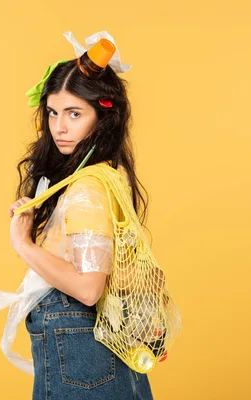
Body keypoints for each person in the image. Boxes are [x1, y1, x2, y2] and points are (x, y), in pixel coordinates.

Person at [8, 32, 156, 399]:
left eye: (75, 113)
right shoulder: (107, 175)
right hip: (99, 349)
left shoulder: (88, 187)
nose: (60, 127)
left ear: (102, 117)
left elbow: (89, 289)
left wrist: (23, 245)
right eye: (54, 112)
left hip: (82, 348)